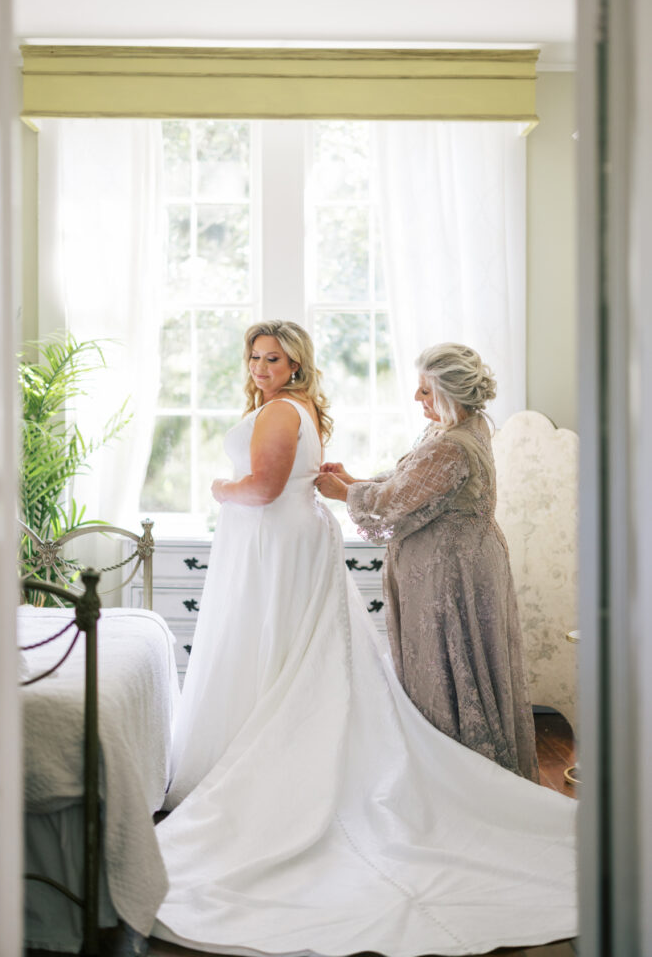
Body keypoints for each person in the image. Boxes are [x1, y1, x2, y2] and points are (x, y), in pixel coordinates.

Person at [153, 321, 576, 956]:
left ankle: (457, 775)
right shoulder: (449, 431)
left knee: (431, 667)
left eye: (273, 358)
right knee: (368, 664)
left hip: (430, 565)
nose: (259, 367)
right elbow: (394, 483)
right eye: (255, 357)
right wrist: (350, 484)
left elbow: (292, 490)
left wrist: (222, 489)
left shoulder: (443, 441)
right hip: (392, 551)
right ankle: (457, 762)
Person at [316, 342, 539, 782]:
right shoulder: (464, 429)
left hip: (451, 577)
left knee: (449, 666)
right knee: (463, 666)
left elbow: (395, 499)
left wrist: (342, 492)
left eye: (425, 391)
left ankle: (456, 776)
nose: (417, 400)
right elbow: (414, 482)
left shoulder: (452, 445)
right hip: (459, 564)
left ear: (450, 392)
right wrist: (353, 478)